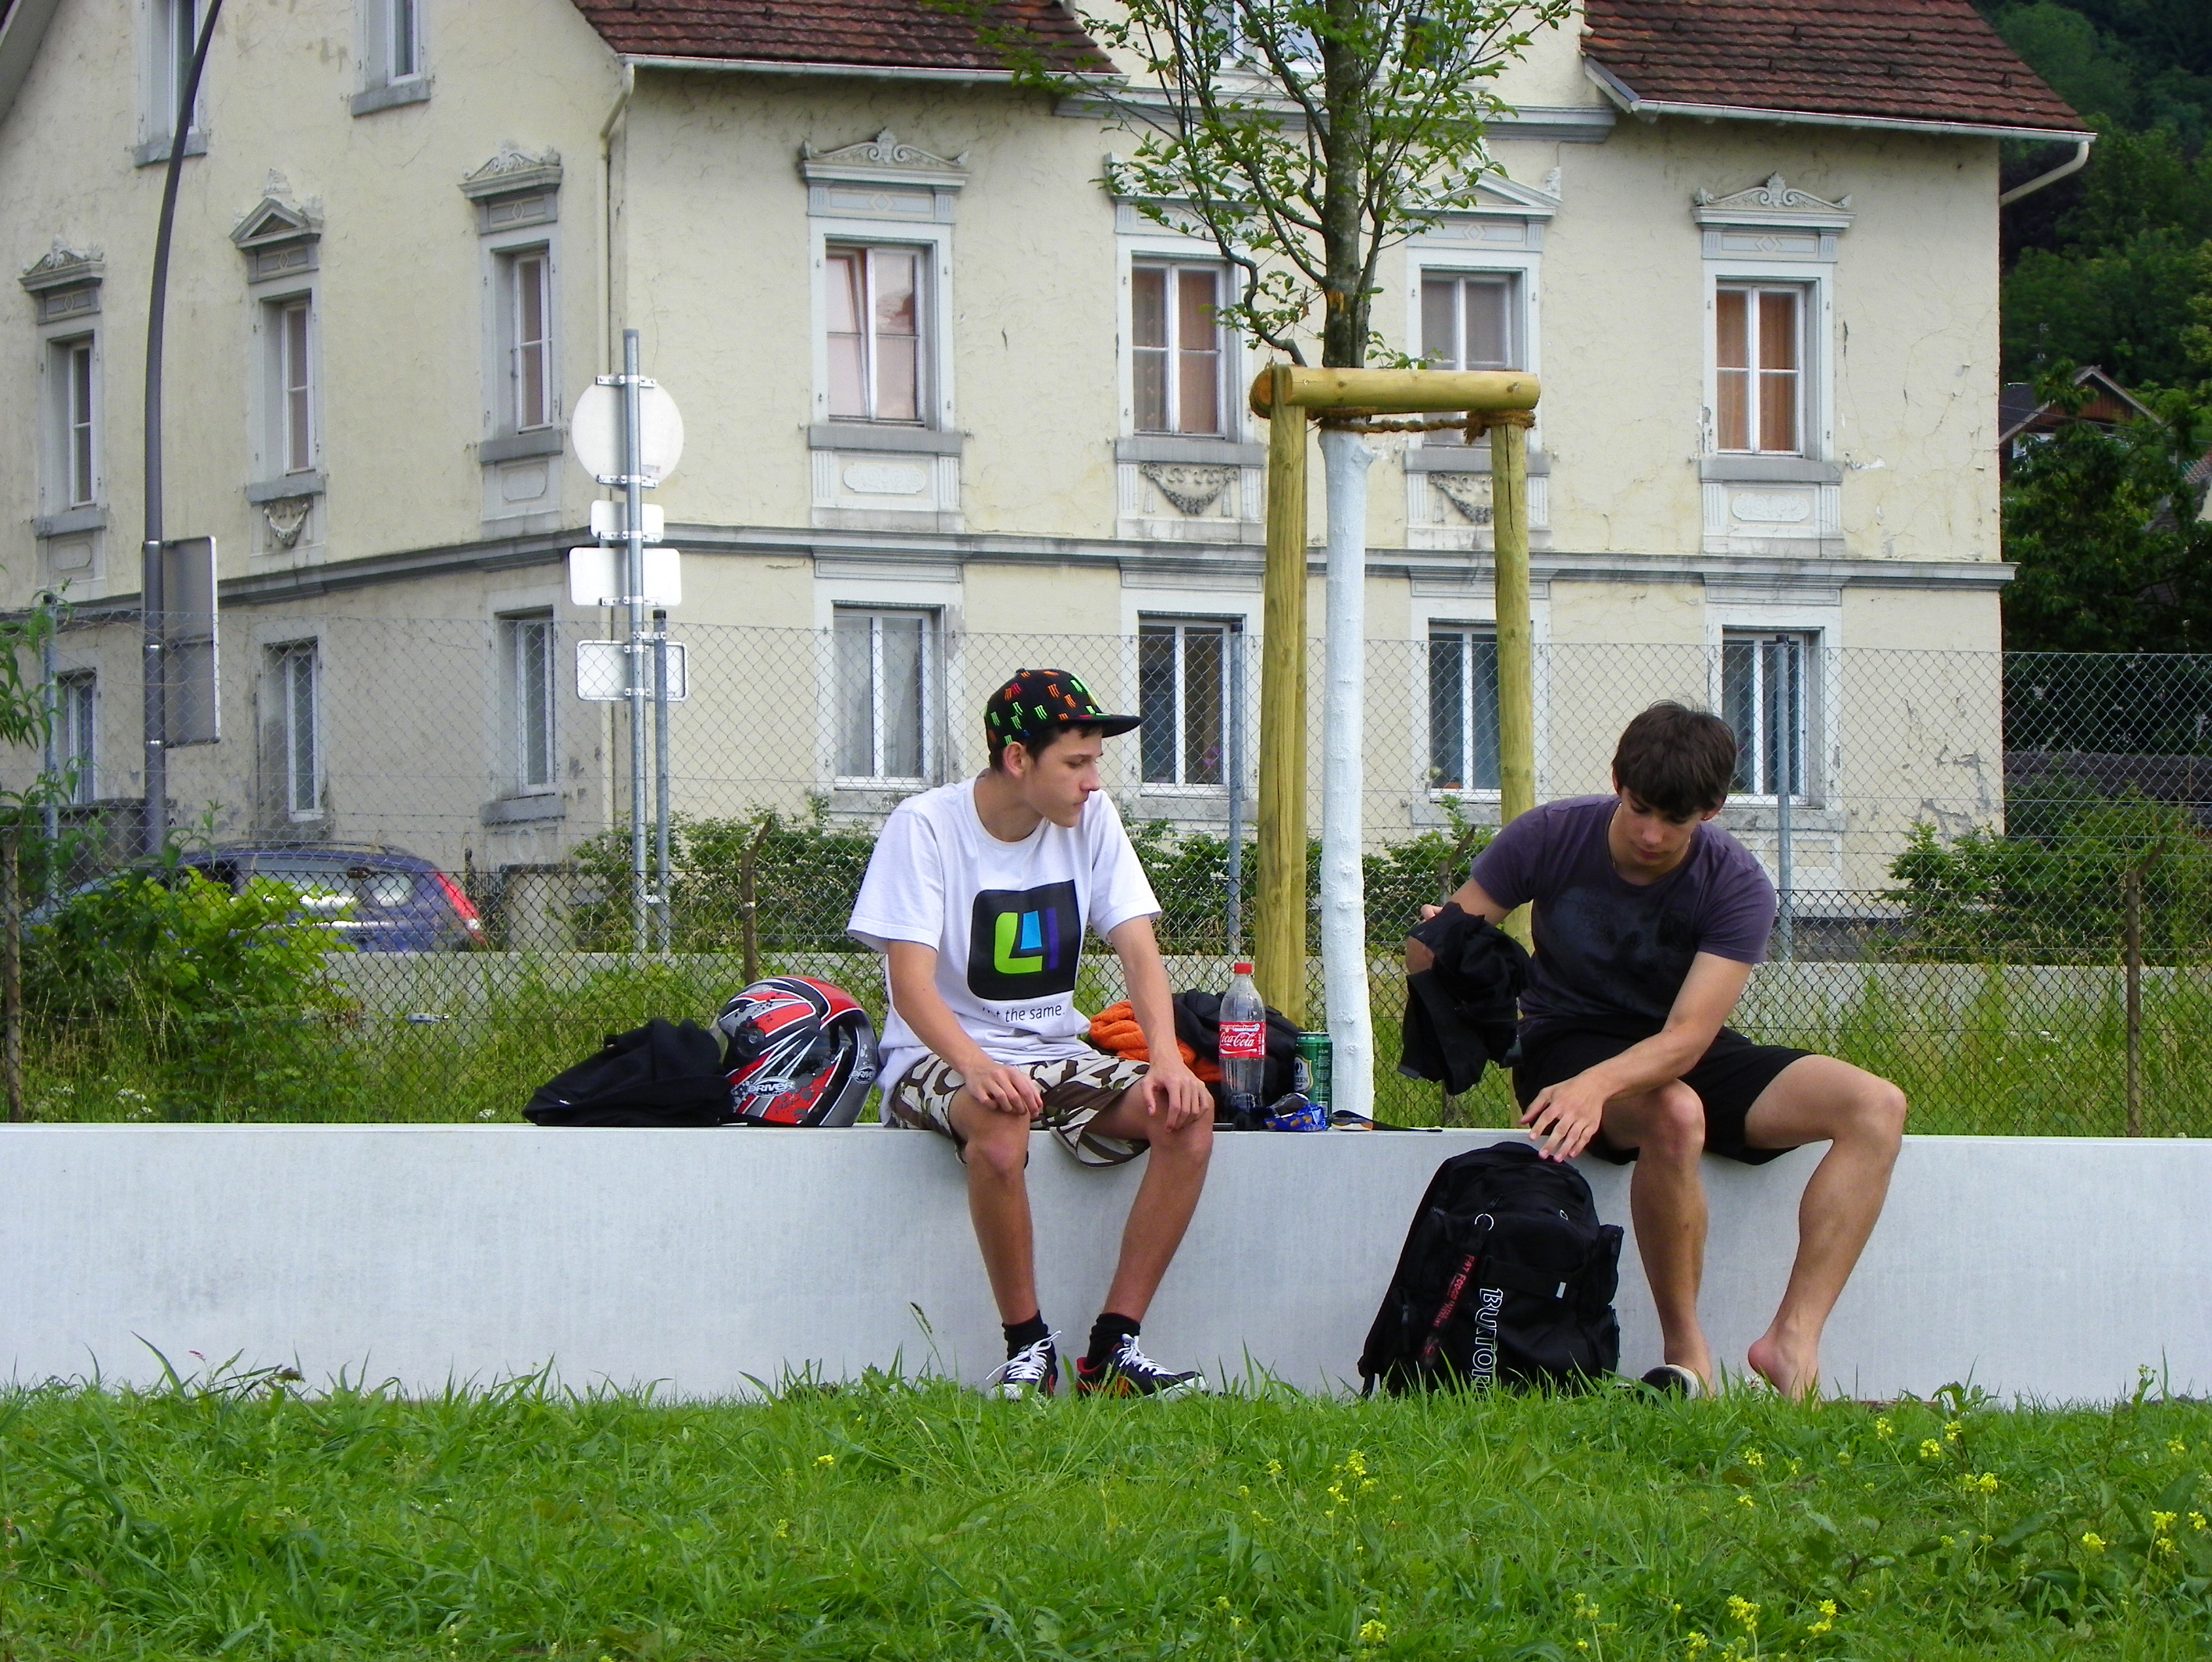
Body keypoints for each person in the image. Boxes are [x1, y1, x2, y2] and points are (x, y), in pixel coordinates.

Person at [1407, 701, 1907, 1397]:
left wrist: (1600, 1086)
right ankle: (1688, 1357)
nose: (1651, 833)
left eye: (1675, 819)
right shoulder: (1550, 834)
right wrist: (1449, 952)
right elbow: (1433, 948)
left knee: (1876, 1106)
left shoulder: (1736, 883)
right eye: (1640, 808)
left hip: (1674, 1048)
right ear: (1617, 781)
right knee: (1675, 1113)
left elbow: (1688, 1039)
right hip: (1565, 1042)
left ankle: (1792, 1341)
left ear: (1713, 810)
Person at [848, 669, 1216, 1400]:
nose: (1093, 781)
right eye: (1075, 763)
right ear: (1018, 759)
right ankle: (1028, 1349)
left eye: (1095, 761)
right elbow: (910, 986)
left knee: (1188, 1114)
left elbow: (1139, 950)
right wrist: (975, 1065)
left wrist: (1168, 1061)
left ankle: (1114, 1350)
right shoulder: (925, 826)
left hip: (1053, 1053)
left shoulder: (1093, 818)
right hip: (937, 1055)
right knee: (999, 1121)